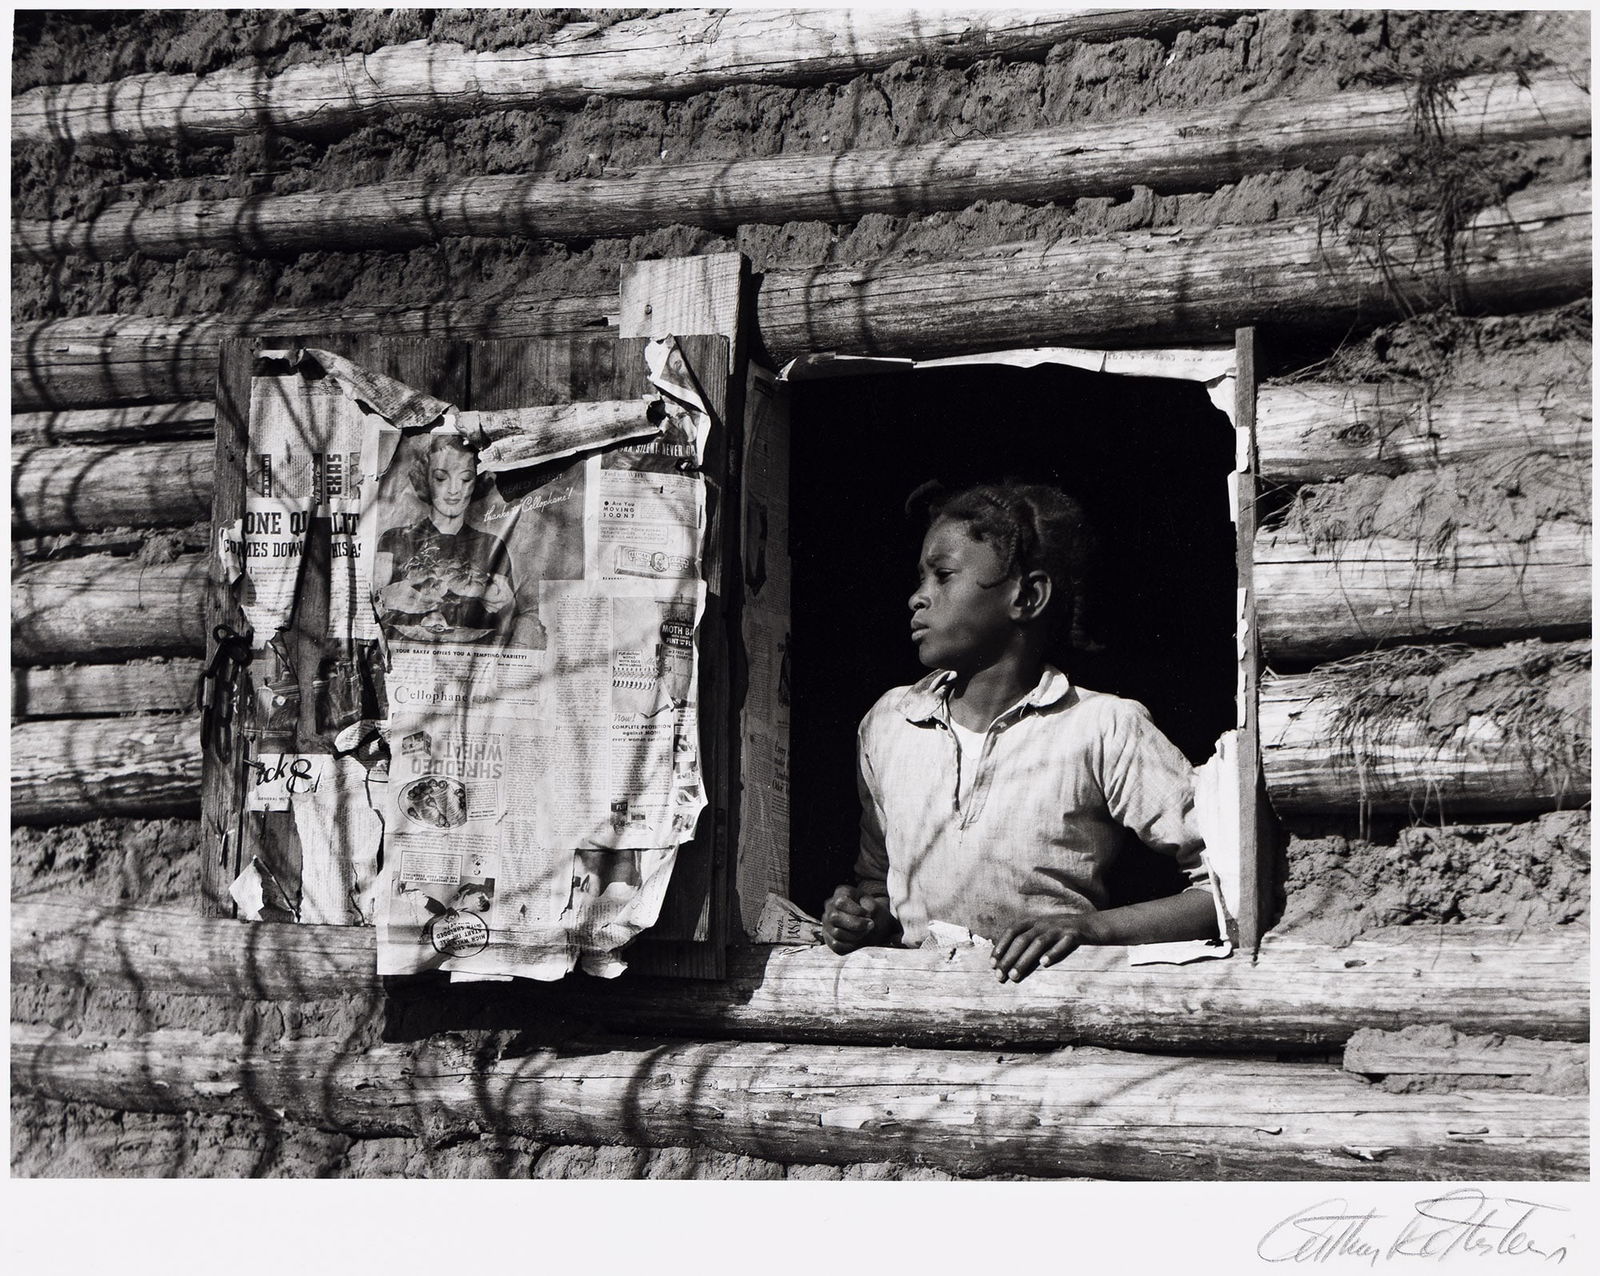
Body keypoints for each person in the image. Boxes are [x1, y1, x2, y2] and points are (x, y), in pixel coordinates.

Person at [820, 481, 1219, 982]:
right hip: (919, 1019)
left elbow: (1226, 887)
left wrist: (1092, 928)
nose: (917, 598)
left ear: (1027, 596)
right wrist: (860, 917)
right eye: (920, 578)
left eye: (943, 576)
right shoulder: (890, 723)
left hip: (1044, 1015)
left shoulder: (1102, 728)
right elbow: (878, 883)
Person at [373, 433, 516, 644]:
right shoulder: (393, 540)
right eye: (441, 478)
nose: (454, 490)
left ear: (476, 482)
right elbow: (367, 616)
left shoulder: (491, 544)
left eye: (465, 479)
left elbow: (509, 622)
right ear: (425, 479)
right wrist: (385, 597)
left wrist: (505, 605)